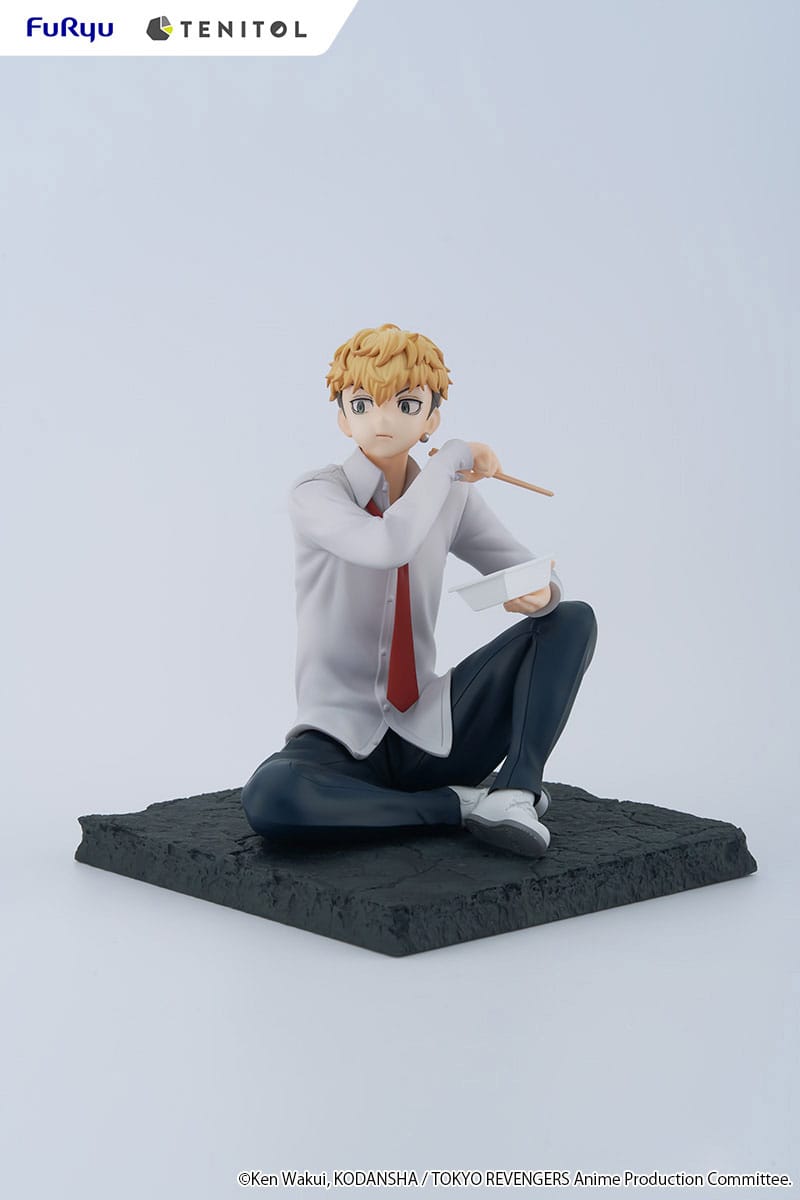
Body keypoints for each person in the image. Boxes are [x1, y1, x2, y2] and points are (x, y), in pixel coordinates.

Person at [241, 323, 597, 857]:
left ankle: (515, 792)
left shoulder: (450, 497)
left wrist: (540, 594)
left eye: (406, 405)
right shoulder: (316, 495)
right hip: (338, 738)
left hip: (429, 730)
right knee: (273, 796)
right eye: (363, 404)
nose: (383, 420)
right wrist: (452, 458)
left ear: (431, 419)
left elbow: (533, 572)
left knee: (572, 617)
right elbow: (389, 543)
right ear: (342, 418)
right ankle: (459, 806)